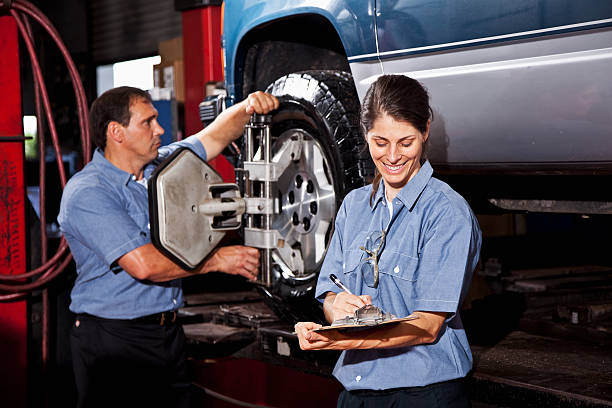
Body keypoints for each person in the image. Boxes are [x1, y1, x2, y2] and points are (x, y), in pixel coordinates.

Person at [58, 86, 278, 408]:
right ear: (116, 132)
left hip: (166, 334)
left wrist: (250, 106)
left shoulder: (160, 167)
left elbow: (214, 137)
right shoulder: (88, 193)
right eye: (148, 122)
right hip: (114, 342)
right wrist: (215, 261)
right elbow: (144, 265)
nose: (159, 129)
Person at [294, 75, 481, 407]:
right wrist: (335, 309)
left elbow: (426, 327)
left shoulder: (447, 212)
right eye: (380, 142)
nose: (393, 156)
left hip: (425, 394)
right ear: (366, 135)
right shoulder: (353, 207)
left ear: (425, 131)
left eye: (405, 142)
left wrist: (333, 341)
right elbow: (329, 298)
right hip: (356, 392)